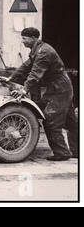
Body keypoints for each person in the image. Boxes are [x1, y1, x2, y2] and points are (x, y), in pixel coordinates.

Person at [9, 27, 78, 160]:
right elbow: (26, 66)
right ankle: (77, 151)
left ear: (33, 38)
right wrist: (10, 78)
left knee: (51, 119)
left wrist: (24, 90)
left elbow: (35, 74)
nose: (22, 41)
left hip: (60, 88)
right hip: (57, 87)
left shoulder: (44, 52)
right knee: (70, 121)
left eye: (24, 38)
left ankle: (62, 153)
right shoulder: (37, 50)